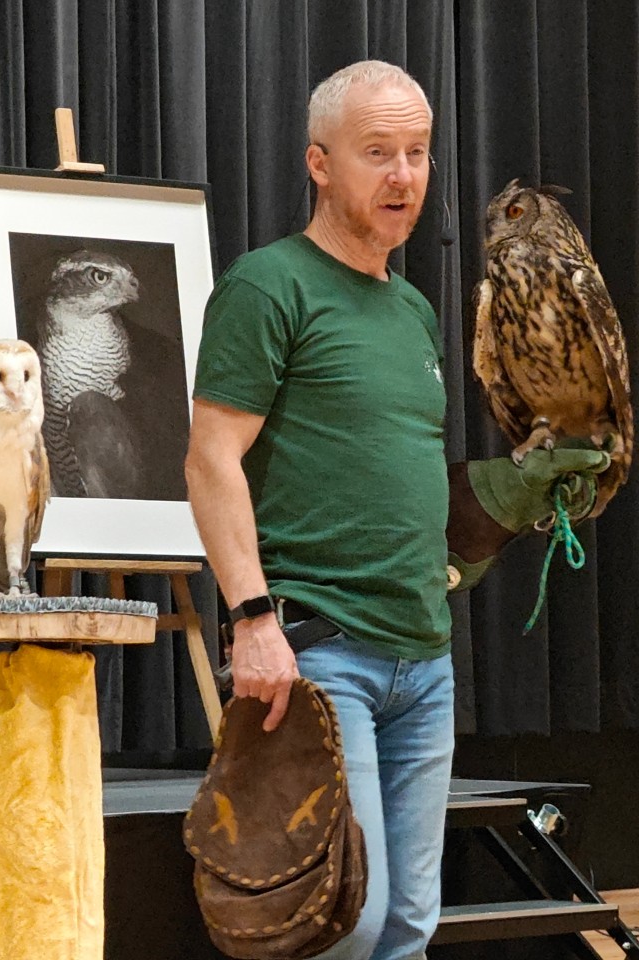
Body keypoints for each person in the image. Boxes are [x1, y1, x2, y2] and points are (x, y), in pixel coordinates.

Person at [185, 60, 608, 960]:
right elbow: (210, 460)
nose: (403, 175)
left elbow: (389, 479)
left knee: (410, 927)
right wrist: (253, 620)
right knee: (343, 922)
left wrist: (507, 499)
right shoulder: (269, 286)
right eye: (377, 152)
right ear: (319, 163)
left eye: (417, 152)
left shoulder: (414, 309)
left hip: (424, 659)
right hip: (318, 652)